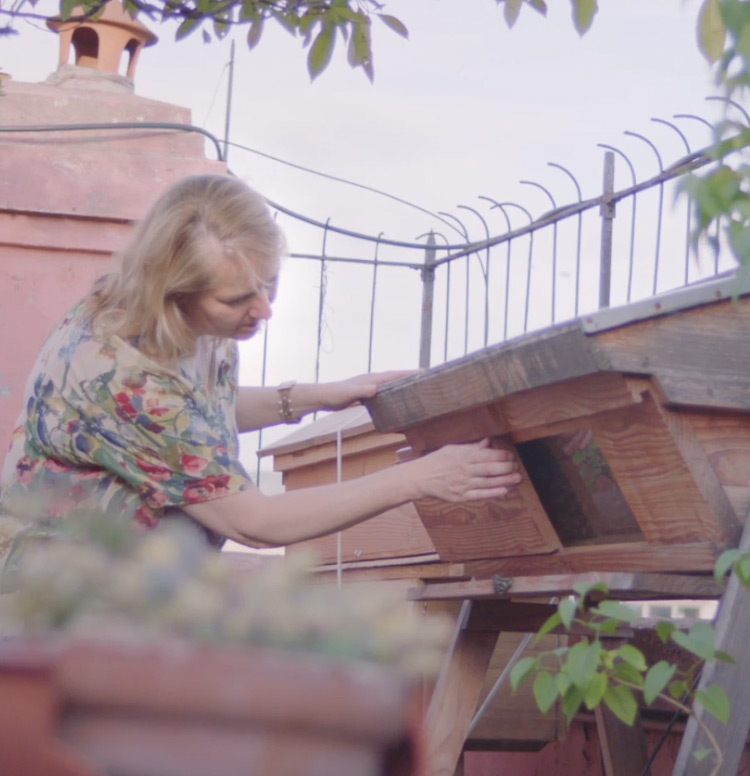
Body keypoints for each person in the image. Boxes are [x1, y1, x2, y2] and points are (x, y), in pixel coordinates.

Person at [0, 174, 521, 570]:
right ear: (173, 292)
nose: (263, 310)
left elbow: (196, 416)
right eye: (237, 298)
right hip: (58, 598)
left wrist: (322, 395)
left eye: (269, 285)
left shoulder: (190, 325)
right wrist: (421, 477)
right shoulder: (121, 371)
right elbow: (256, 523)